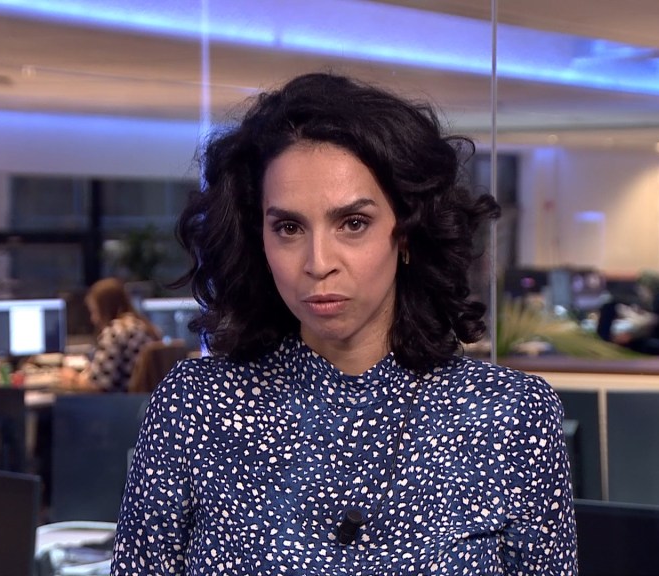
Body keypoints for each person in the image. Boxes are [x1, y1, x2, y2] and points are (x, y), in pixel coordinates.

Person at [112, 73, 576, 575]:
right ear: (258, 239)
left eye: (353, 223)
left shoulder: (509, 415)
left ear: (406, 232)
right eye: (289, 227)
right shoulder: (195, 407)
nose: (318, 263)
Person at [60, 278, 162, 392]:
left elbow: (98, 386)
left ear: (105, 308)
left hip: (119, 400)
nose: (93, 319)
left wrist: (73, 379)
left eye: (95, 311)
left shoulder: (116, 331)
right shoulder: (144, 326)